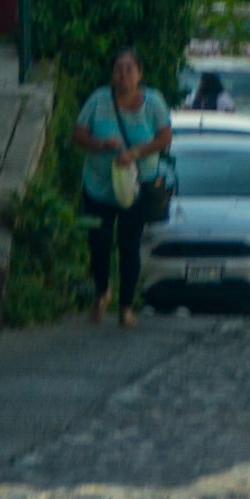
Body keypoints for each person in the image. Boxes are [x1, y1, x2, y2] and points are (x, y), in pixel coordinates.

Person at [72, 48, 174, 328]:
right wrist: (101, 144)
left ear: (140, 74)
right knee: (99, 242)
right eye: (119, 69)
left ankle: (126, 306)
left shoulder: (153, 102)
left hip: (136, 187)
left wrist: (136, 152)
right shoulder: (98, 100)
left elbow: (165, 137)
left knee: (129, 246)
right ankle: (102, 290)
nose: (124, 75)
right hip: (99, 185)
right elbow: (78, 133)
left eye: (130, 69)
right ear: (112, 74)